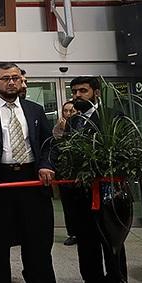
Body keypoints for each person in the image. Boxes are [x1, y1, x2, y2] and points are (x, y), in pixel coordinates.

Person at [0, 62, 64, 283]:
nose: (11, 82)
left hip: (32, 182)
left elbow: (48, 144)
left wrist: (46, 164)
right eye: (5, 78)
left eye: (15, 77)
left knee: (38, 245)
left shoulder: (35, 110)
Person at [63, 76, 126, 283]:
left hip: (107, 192)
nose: (78, 95)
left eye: (83, 91)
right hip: (80, 193)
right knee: (86, 241)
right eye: (74, 92)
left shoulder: (112, 117)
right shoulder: (73, 121)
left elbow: (119, 152)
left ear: (96, 92)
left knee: (111, 243)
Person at [53, 99, 79, 246]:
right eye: (66, 111)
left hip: (79, 174)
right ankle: (72, 233)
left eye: (71, 111)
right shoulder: (57, 129)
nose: (68, 114)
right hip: (64, 173)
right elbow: (57, 147)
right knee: (68, 205)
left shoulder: (80, 125)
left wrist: (68, 130)